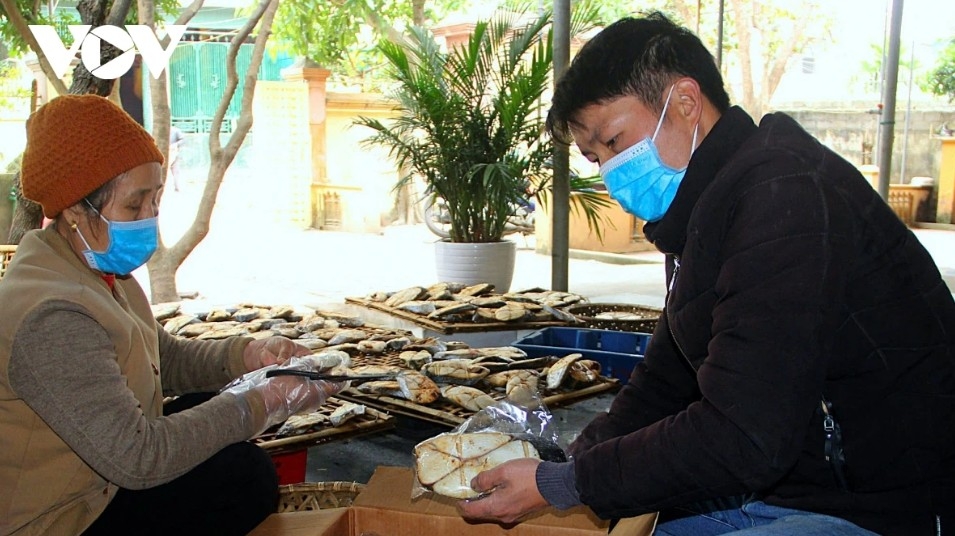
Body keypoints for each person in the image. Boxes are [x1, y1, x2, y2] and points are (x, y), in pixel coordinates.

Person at [458, 13, 955, 536]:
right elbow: (663, 384)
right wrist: (566, 466)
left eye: (615, 140)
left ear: (687, 102)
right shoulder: (704, 210)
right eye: (594, 157)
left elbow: (744, 434)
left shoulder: (784, 195)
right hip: (797, 486)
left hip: (891, 506)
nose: (609, 170)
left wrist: (566, 484)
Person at [0, 94, 344, 536]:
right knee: (242, 474)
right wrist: (263, 402)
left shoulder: (100, 269)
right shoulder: (51, 316)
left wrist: (251, 357)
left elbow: (166, 358)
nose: (150, 218)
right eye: (134, 205)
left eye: (156, 200)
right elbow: (137, 456)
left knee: (208, 415)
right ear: (73, 211)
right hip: (62, 517)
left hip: (99, 485)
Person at [168, 124, 184, 191]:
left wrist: (175, 144)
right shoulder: (159, 130)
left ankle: (177, 186)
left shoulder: (175, 130)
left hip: (174, 152)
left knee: (175, 170)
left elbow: (182, 140)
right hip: (164, 153)